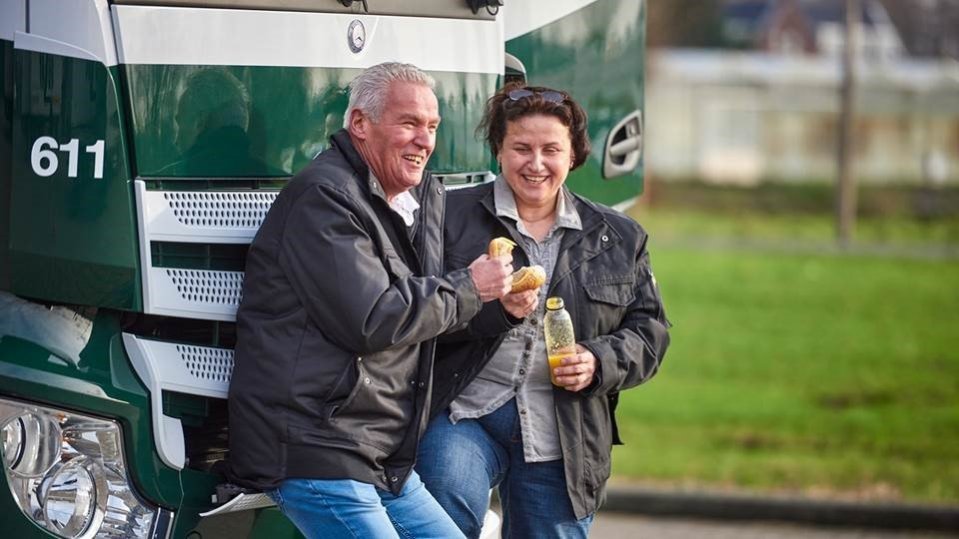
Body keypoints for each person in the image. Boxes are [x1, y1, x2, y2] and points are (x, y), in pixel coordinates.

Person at [226, 62, 516, 538]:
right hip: (317, 447)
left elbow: (421, 316)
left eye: (432, 127)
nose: (425, 141)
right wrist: (470, 287)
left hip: (376, 455)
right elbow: (373, 318)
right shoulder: (326, 199)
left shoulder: (405, 200)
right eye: (409, 123)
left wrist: (496, 305)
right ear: (360, 124)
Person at [417, 83, 672, 538]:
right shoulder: (444, 218)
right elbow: (415, 316)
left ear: (573, 154)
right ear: (498, 150)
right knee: (441, 519)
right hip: (464, 411)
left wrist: (597, 361)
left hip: (565, 427)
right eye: (521, 148)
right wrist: (495, 311)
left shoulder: (619, 237)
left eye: (551, 149)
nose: (536, 164)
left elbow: (650, 333)